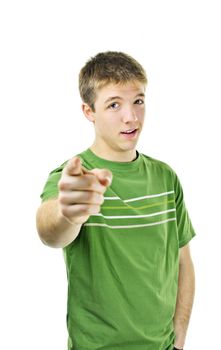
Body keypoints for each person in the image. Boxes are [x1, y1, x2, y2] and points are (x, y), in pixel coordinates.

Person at [36, 51, 196, 350]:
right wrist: (68, 213)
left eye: (138, 100)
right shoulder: (74, 178)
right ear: (89, 111)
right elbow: (49, 230)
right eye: (114, 105)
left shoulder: (166, 178)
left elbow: (183, 262)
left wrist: (179, 338)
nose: (131, 117)